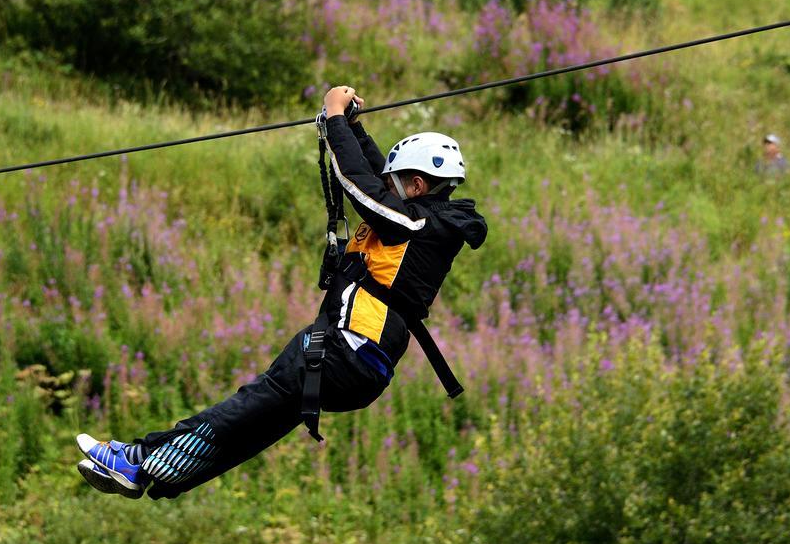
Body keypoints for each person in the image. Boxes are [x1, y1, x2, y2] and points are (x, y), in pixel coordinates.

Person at [75, 85, 489, 499]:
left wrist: (335, 120)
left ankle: (138, 457)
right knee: (255, 422)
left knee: (253, 401)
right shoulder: (416, 218)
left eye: (394, 182)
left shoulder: (413, 225)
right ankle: (153, 472)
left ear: (417, 185)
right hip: (352, 360)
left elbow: (360, 184)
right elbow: (375, 172)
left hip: (349, 351)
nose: (385, 186)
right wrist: (354, 129)